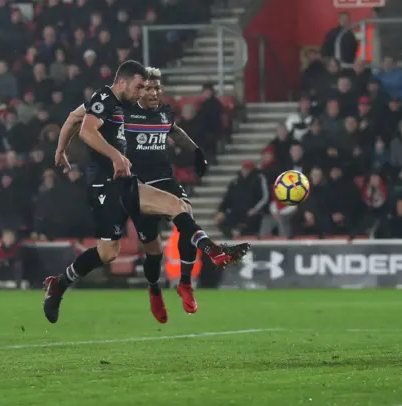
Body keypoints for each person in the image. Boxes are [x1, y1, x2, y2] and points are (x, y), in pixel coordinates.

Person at [44, 60, 249, 324]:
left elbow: (73, 117)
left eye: (146, 88)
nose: (143, 93)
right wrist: (115, 155)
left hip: (126, 183)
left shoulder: (127, 105)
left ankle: (212, 251)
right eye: (139, 87)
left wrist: (60, 149)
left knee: (177, 206)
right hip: (105, 186)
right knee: (108, 253)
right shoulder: (105, 98)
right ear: (122, 82)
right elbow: (86, 130)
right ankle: (59, 284)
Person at [121, 67, 210, 321]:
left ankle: (185, 283)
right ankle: (154, 290)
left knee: (186, 215)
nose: (154, 92)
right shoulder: (125, 113)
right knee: (153, 249)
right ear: (139, 89)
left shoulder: (164, 112)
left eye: (157, 88)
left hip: (165, 179)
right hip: (138, 185)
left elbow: (175, 131)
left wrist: (196, 151)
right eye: (148, 88)